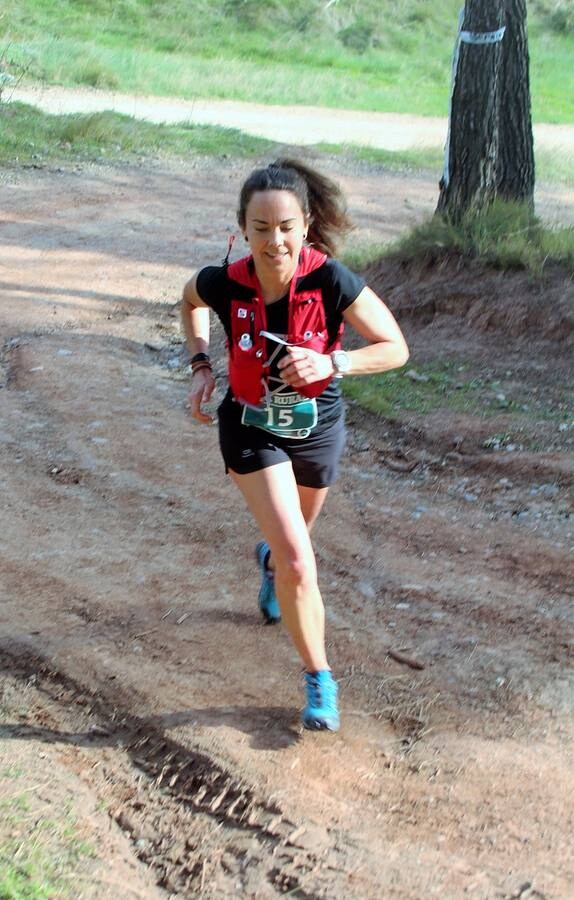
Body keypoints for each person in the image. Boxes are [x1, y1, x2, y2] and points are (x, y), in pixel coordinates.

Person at [181, 158, 409, 732]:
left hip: (316, 425)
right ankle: (319, 678)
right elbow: (188, 302)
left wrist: (334, 360)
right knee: (300, 561)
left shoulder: (332, 280)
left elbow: (394, 347)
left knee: (292, 543)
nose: (274, 240)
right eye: (261, 228)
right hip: (251, 425)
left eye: (285, 227)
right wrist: (201, 364)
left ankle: (270, 560)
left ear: (305, 226)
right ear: (242, 229)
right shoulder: (223, 282)